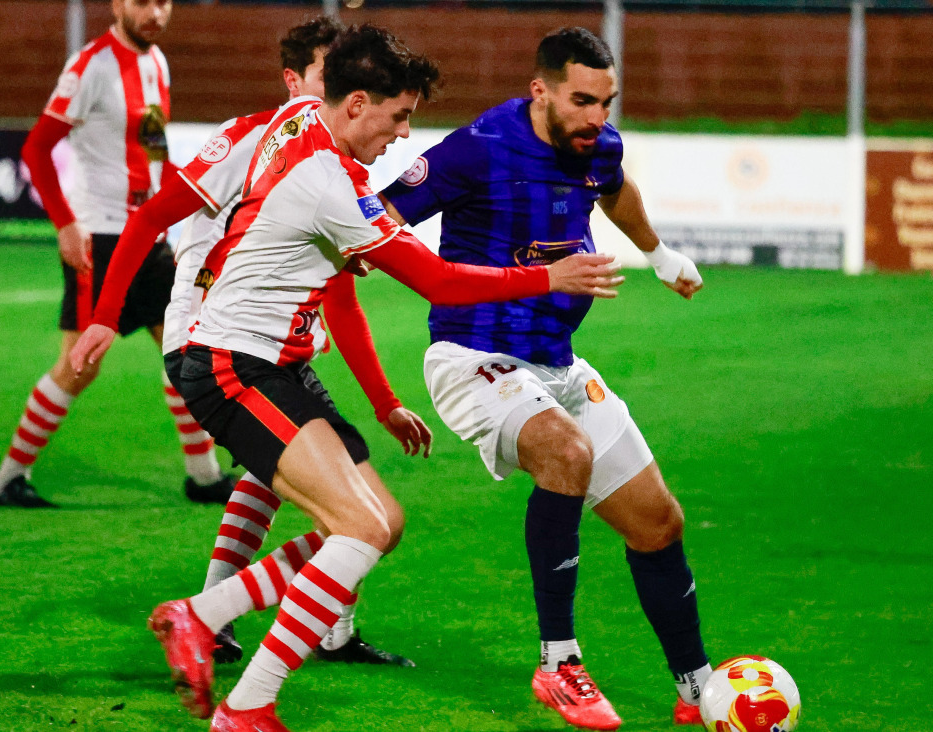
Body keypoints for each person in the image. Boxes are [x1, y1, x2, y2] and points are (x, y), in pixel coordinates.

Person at [138, 24, 623, 730]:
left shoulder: (309, 125)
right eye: (400, 117)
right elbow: (437, 280)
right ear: (359, 102)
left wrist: (384, 399)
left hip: (282, 361)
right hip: (233, 364)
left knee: (382, 524)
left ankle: (202, 613)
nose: (404, 135)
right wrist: (547, 274)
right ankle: (247, 706)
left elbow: (339, 267)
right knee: (358, 527)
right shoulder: (330, 182)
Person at [378, 26, 710, 730]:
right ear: (541, 90)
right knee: (567, 453)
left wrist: (657, 252)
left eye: (608, 102)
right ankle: (559, 663)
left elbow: (614, 189)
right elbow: (377, 220)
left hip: (557, 362)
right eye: (583, 101)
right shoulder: (479, 148)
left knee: (658, 522)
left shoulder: (599, 146)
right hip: (472, 357)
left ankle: (699, 689)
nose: (598, 118)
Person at [69, 16, 421, 673]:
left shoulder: (332, 162)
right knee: (329, 493)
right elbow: (151, 215)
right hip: (216, 339)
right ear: (300, 80)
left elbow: (340, 295)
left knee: (312, 484)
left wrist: (383, 398)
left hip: (275, 344)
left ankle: (247, 620)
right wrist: (102, 314)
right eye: (328, 73)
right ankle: (225, 619)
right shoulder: (256, 137)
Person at [0, 0, 235, 509]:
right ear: (119, 4)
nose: (156, 13)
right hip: (99, 238)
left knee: (187, 353)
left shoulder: (157, 61)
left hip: (150, 238)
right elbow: (37, 147)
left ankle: (203, 476)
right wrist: (65, 224)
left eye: (164, 2)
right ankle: (9, 478)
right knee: (79, 366)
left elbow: (152, 145)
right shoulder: (91, 65)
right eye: (144, 2)